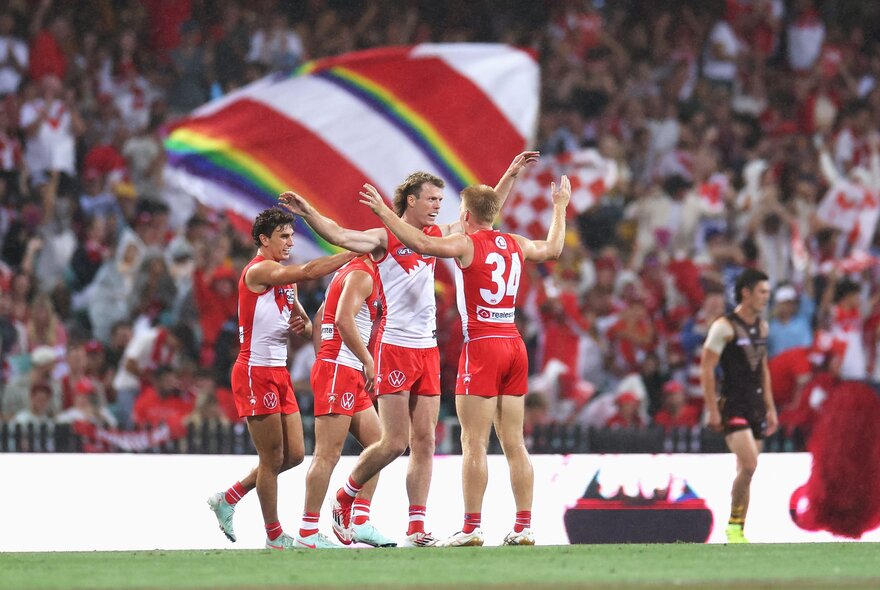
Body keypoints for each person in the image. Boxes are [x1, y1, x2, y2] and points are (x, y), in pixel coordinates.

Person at [280, 152, 538, 547]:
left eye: (440, 200)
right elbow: (339, 235)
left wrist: (510, 174)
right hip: (394, 347)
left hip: (428, 349)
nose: (438, 205)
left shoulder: (441, 236)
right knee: (394, 442)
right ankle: (346, 496)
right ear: (411, 201)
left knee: (426, 441)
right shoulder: (384, 238)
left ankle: (416, 525)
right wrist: (309, 213)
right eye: (431, 199)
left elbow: (483, 216)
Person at [358, 174, 570, 547]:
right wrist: (559, 207)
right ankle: (524, 527)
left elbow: (420, 241)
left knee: (474, 442)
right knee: (515, 442)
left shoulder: (465, 245)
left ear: (468, 215)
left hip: (483, 346)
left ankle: (472, 527)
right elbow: (553, 248)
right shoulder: (516, 243)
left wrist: (382, 212)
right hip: (514, 343)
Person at [207, 207, 354, 550]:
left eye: (290, 236)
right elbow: (308, 271)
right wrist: (352, 252)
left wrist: (301, 326)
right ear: (263, 240)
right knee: (271, 459)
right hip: (254, 370)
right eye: (283, 237)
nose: (289, 242)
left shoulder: (282, 277)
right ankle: (274, 537)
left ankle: (229, 497)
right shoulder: (258, 271)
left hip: (278, 371)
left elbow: (300, 320)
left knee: (294, 456)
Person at [296, 254, 396, 549]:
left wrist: (323, 359)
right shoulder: (362, 275)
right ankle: (307, 531)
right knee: (328, 453)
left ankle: (359, 519)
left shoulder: (350, 272)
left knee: (381, 444)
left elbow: (319, 319)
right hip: (341, 369)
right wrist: (364, 360)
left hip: (341, 368)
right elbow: (342, 319)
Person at [700, 268, 778, 544]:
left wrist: (770, 407)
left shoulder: (762, 327)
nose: (766, 297)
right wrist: (711, 408)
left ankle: (738, 529)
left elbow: (763, 368)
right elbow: (707, 368)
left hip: (756, 405)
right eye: (762, 292)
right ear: (746, 292)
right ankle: (733, 525)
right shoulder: (724, 327)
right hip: (733, 404)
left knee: (746, 471)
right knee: (749, 463)